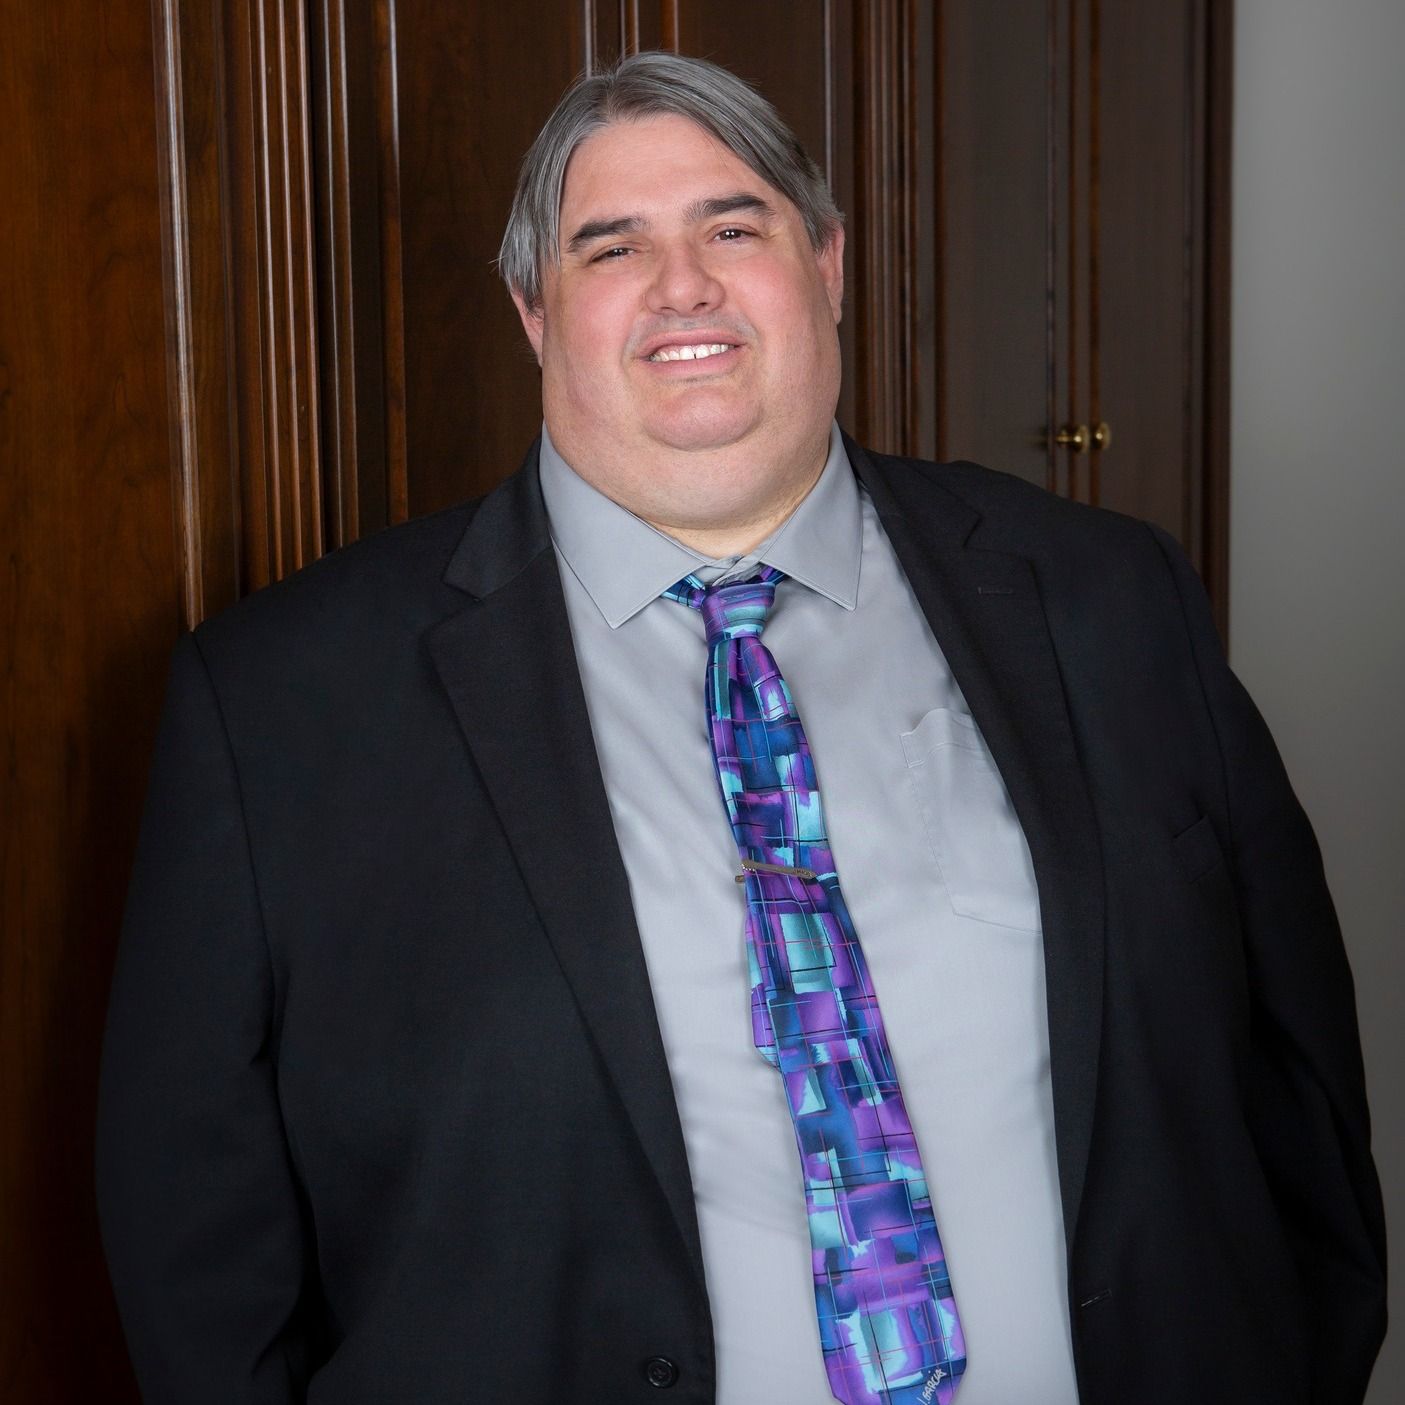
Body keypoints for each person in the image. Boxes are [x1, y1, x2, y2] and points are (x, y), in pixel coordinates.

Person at [97, 51, 1385, 1405]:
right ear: (534, 312)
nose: (684, 286)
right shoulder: (282, 702)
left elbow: (1299, 1077)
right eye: (611, 247)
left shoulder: (1108, 597)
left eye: (733, 227)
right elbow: (196, 1233)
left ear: (826, 263)